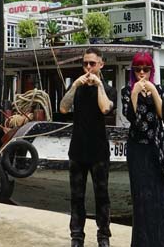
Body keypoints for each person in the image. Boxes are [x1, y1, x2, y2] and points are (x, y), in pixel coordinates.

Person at [120, 51, 164, 247]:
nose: (142, 73)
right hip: (138, 149)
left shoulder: (160, 89)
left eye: (146, 69)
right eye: (138, 70)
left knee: (161, 196)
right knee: (141, 198)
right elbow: (131, 118)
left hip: (157, 148)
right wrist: (136, 92)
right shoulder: (126, 91)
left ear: (151, 71)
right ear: (133, 71)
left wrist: (153, 91)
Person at [59, 47, 117, 247]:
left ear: (101, 64)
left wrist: (99, 85)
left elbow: (105, 108)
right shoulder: (78, 87)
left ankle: (103, 237)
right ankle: (77, 237)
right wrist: (74, 85)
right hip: (77, 151)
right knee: (77, 197)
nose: (88, 67)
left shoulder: (109, 90)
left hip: (99, 152)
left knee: (102, 196)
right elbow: (63, 108)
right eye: (85, 63)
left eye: (92, 63)